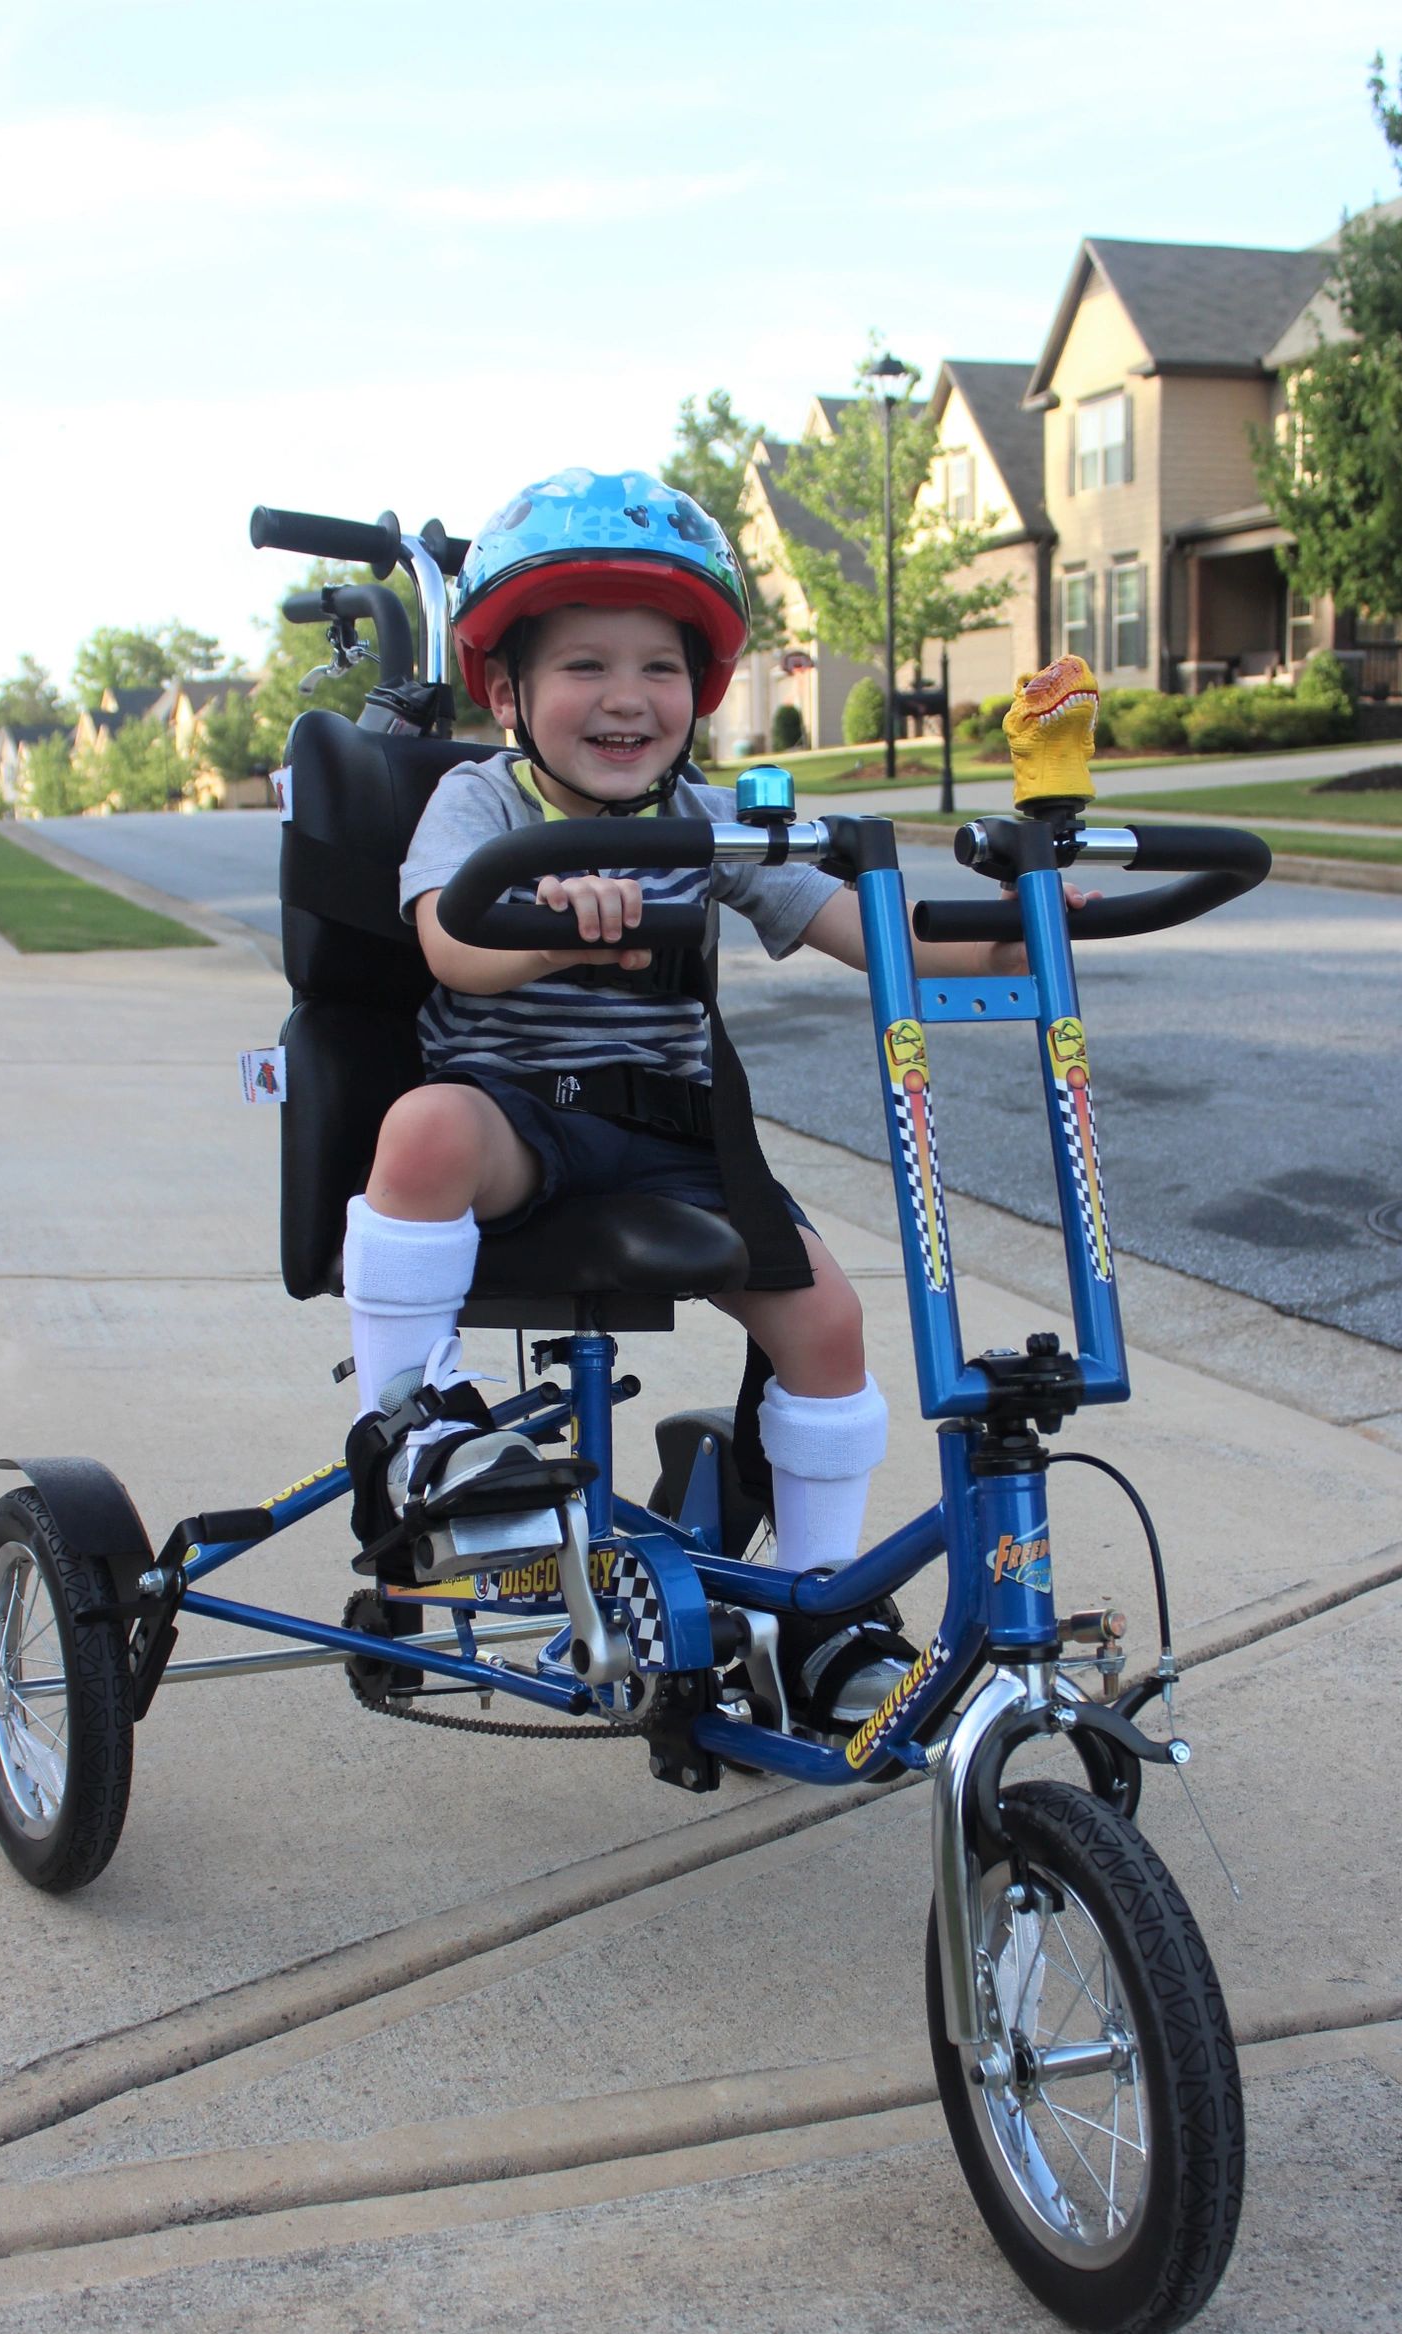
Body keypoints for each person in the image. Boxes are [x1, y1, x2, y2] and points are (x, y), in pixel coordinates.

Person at [341, 466, 1037, 1606]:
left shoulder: (707, 820)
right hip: (516, 1117)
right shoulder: (481, 803)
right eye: (584, 665)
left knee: (826, 1320)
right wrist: (553, 927)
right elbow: (448, 947)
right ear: (508, 691)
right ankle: (414, 1431)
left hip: (670, 1138)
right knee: (420, 1130)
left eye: (658, 666)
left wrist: (1024, 936)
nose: (627, 696)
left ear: (697, 689)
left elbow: (866, 931)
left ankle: (819, 1605)